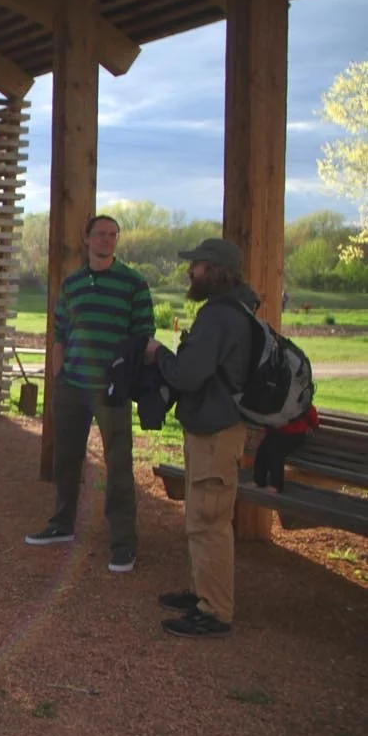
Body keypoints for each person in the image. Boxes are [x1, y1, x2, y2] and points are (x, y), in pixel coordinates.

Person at [25, 214, 155, 574]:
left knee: (118, 464)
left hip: (110, 388)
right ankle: (62, 524)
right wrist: (58, 377)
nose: (107, 240)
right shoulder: (73, 284)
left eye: (113, 235)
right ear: (87, 239)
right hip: (72, 385)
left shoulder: (133, 283)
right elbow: (60, 333)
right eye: (101, 234)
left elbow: (142, 337)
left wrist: (128, 379)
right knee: (66, 458)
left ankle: (123, 543)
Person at [145, 238, 259, 639]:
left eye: (196, 265)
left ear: (214, 269)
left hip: (216, 432)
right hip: (213, 429)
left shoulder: (219, 316)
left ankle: (214, 611)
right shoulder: (237, 309)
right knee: (202, 514)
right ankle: (200, 593)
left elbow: (188, 375)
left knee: (209, 521)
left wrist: (159, 354)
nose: (190, 271)